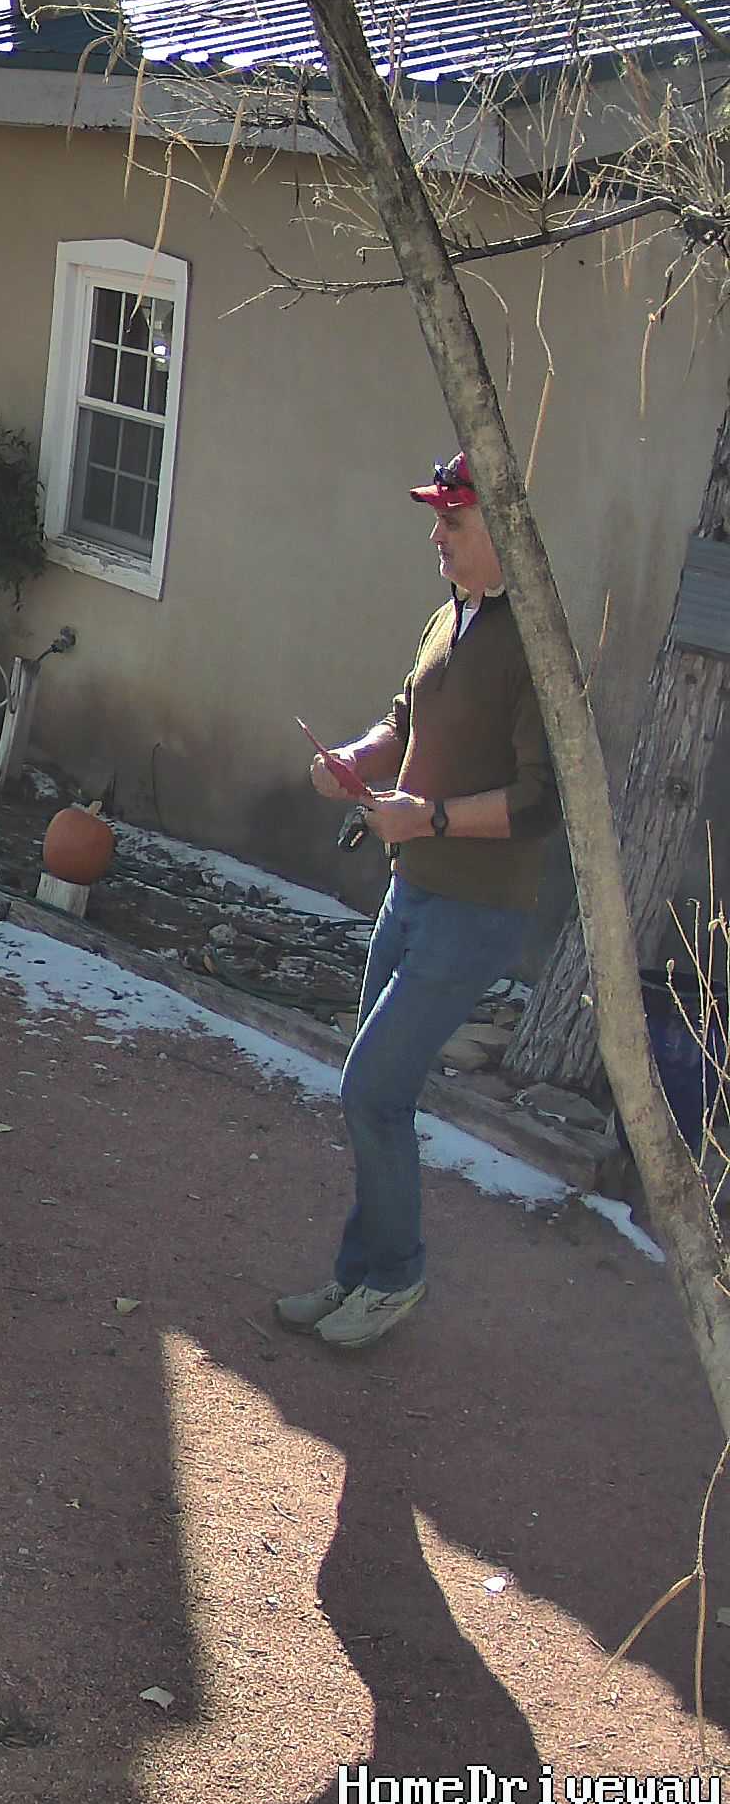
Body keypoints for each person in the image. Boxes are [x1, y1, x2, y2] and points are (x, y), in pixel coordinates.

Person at [278, 451, 557, 1351]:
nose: (436, 535)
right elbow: (404, 720)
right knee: (377, 1095)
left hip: (476, 912)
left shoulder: (535, 643)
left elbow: (539, 801)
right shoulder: (448, 616)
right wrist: (355, 762)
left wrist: (429, 817)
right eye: (437, 518)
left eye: (453, 521)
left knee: (372, 1087)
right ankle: (362, 1272)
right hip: (412, 890)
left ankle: (395, 1276)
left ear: (501, 531)